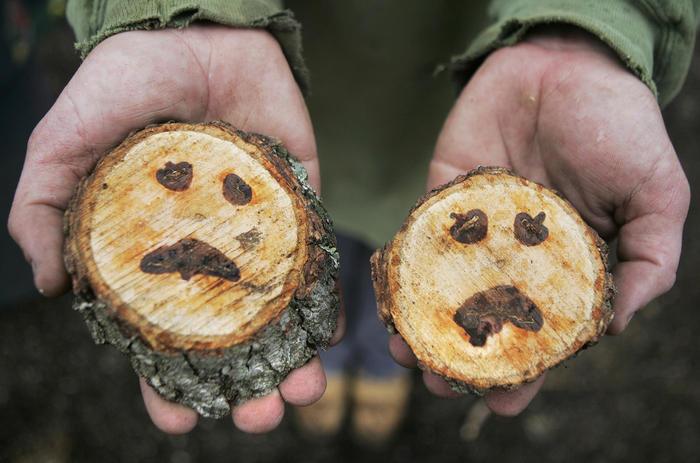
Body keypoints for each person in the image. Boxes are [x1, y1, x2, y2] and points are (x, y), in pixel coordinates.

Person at [7, 0, 693, 443]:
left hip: (457, 101)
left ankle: (378, 358)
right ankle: (332, 349)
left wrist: (591, 24)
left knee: (391, 279)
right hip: (274, 77)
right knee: (317, 286)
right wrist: (178, 8)